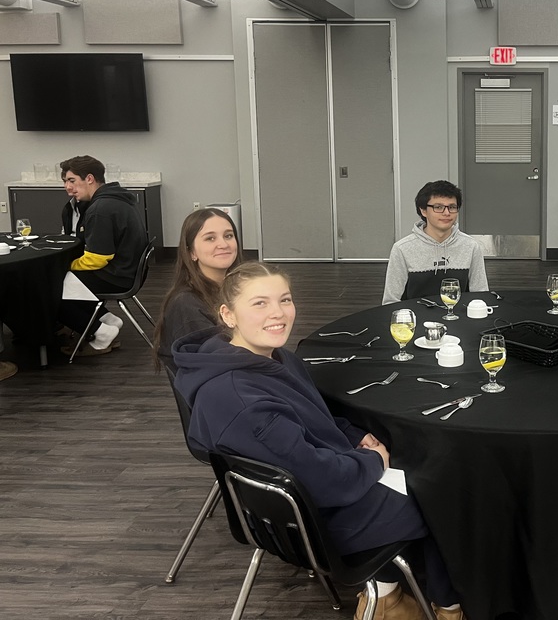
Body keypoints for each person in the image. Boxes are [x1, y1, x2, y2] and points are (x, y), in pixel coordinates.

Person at [173, 263, 463, 620]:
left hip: (316, 488)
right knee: (442, 496)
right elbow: (325, 481)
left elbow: (321, 420)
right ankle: (447, 607)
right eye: (260, 304)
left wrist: (358, 438)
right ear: (228, 314)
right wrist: (373, 462)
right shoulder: (241, 400)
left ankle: (389, 592)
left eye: (285, 300)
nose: (278, 313)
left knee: (418, 467)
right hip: (315, 522)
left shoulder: (274, 360)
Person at [58, 155, 148, 356]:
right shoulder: (118, 198)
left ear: (89, 178)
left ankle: (101, 333)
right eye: (65, 181)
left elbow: (98, 259)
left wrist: (64, 265)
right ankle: (107, 320)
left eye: (71, 180)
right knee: (61, 284)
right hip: (128, 272)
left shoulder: (100, 209)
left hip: (116, 276)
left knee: (47, 291)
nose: (67, 186)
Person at [153, 209, 242, 373]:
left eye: (228, 236)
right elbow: (216, 364)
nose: (223, 244)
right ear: (191, 252)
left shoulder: (237, 289)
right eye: (210, 238)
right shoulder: (186, 304)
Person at [382, 180, 488, 304]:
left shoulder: (471, 246)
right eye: (438, 207)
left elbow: (481, 296)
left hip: (459, 320)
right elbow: (390, 302)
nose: (447, 213)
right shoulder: (402, 249)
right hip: (417, 320)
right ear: (423, 210)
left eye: (452, 207)